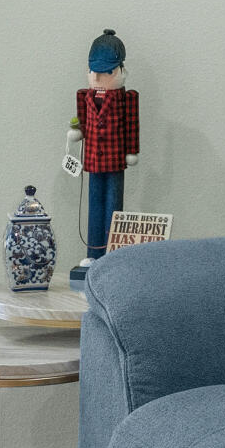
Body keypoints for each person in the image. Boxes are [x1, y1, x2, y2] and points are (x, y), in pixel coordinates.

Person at [65, 29, 139, 283]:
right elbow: (83, 123)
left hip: (115, 159)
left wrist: (132, 150)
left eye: (106, 72)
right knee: (94, 207)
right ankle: (93, 254)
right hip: (94, 161)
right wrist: (77, 133)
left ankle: (112, 255)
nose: (97, 77)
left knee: (113, 207)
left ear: (120, 70)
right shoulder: (84, 96)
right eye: (94, 71)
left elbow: (132, 126)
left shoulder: (126, 99)